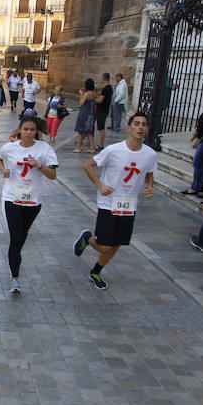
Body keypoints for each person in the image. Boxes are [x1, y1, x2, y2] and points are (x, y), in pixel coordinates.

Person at [74, 112, 156, 289]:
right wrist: (99, 184)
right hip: (108, 203)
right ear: (129, 128)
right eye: (137, 124)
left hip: (129, 204)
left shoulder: (150, 154)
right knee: (104, 246)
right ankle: (87, 238)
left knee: (117, 244)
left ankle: (96, 271)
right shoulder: (113, 150)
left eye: (144, 124)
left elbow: (149, 173)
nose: (141, 127)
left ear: (147, 129)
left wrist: (150, 186)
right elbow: (87, 165)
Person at [0, 116, 58, 293]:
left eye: (32, 130)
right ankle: (15, 277)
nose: (29, 133)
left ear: (37, 131)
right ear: (19, 130)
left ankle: (16, 261)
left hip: (33, 200)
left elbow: (52, 175)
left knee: (21, 237)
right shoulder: (10, 148)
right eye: (26, 129)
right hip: (11, 197)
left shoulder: (44, 149)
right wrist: (3, 171)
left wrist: (38, 165)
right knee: (16, 238)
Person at [73, 79, 97, 153]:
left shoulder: (86, 94)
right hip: (91, 114)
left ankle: (79, 148)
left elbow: (81, 104)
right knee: (89, 132)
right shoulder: (94, 93)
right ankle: (92, 148)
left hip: (84, 113)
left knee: (80, 131)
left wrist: (81, 94)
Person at [94, 73, 113, 151]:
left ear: (103, 78)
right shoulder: (110, 88)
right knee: (101, 127)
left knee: (101, 128)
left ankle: (101, 145)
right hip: (105, 110)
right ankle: (100, 144)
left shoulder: (106, 89)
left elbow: (100, 100)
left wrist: (93, 99)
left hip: (102, 110)